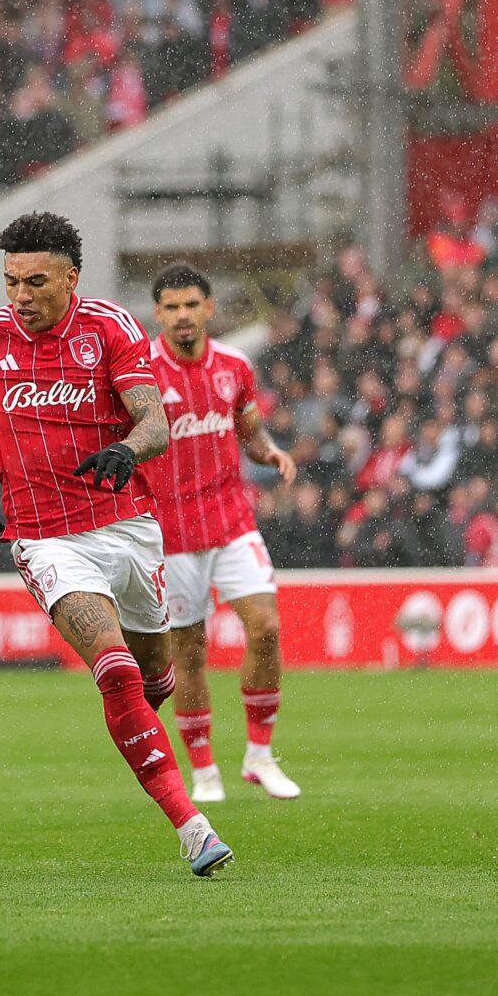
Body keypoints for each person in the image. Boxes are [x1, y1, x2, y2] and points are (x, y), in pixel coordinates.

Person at [0, 211, 233, 878]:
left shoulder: (109, 327)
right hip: (46, 540)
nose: (20, 297)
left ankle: (144, 714)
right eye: (10, 282)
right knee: (116, 671)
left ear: (72, 277)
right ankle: (192, 827)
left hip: (129, 528)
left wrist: (126, 448)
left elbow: (155, 421)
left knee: (152, 679)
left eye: (35, 281)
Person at [142, 261, 300, 803]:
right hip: (171, 533)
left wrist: (270, 452)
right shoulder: (139, 374)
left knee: (266, 628)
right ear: (158, 314)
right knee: (189, 654)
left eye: (192, 304)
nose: (183, 315)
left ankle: (259, 755)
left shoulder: (235, 365)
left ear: (209, 308)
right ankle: (205, 771)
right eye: (172, 307)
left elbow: (249, 433)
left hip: (231, 520)